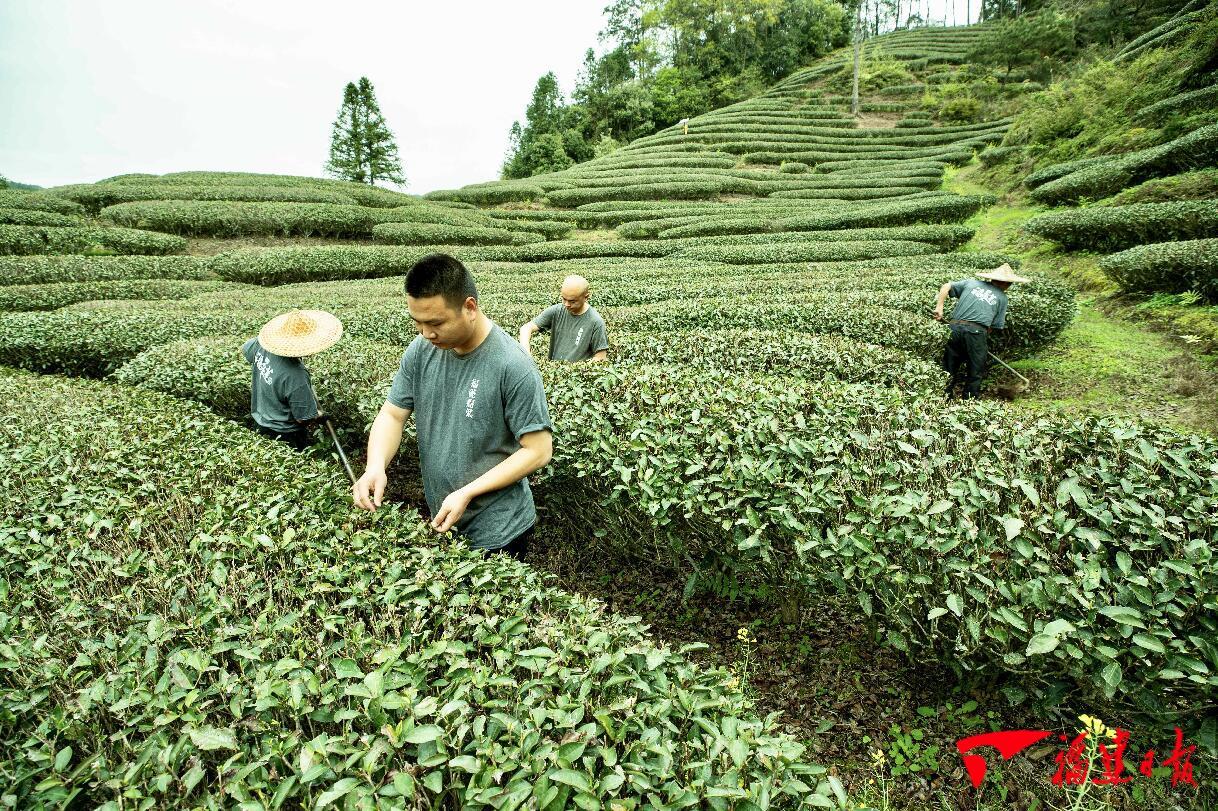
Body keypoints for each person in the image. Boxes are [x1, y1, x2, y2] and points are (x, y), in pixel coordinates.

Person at [353, 253, 553, 560]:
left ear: (469, 307)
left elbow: (538, 451)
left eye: (436, 323)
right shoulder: (421, 350)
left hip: (499, 529)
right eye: (417, 323)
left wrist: (468, 491)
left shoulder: (512, 365)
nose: (426, 333)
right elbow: (393, 414)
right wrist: (375, 465)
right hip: (447, 516)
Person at [241, 309, 343, 450]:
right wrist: (320, 415)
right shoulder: (296, 375)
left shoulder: (262, 345)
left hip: (259, 423)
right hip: (286, 436)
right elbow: (303, 418)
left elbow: (246, 350)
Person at [933, 262, 1030, 400]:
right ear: (1006, 284)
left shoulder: (971, 283)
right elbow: (993, 326)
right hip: (976, 333)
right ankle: (969, 403)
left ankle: (942, 398)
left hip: (953, 328)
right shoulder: (1002, 297)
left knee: (950, 366)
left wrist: (939, 308)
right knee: (975, 369)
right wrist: (978, 339)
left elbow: (946, 286)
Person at [518, 274, 609, 362]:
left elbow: (601, 357)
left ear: (586, 297)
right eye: (564, 299)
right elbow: (526, 328)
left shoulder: (595, 322)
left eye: (572, 301)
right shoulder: (557, 311)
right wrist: (526, 352)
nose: (566, 304)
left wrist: (578, 369)